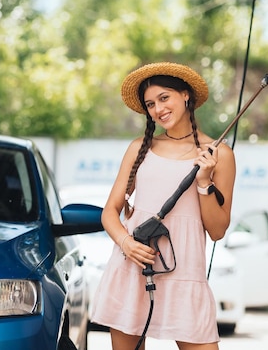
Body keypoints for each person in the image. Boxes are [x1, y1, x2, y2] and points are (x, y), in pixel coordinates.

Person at [90, 62, 236, 350]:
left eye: (164, 97)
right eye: (150, 104)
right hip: (133, 269)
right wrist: (125, 244)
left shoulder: (220, 155)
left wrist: (204, 182)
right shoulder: (139, 148)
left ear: (185, 95)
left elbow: (217, 231)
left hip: (185, 275)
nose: (158, 109)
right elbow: (109, 212)